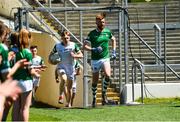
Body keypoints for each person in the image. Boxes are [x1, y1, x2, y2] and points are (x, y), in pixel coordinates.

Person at [83, 12, 116, 107]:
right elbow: (84, 46)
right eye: (101, 22)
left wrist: (113, 51)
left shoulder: (107, 32)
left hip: (105, 58)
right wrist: (93, 49)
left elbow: (113, 39)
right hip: (95, 60)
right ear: (96, 23)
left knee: (108, 75)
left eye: (104, 22)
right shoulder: (92, 34)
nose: (103, 24)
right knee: (95, 81)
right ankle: (94, 98)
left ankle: (103, 94)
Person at [11, 28, 42, 121]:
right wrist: (37, 74)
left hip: (15, 81)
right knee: (25, 108)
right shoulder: (27, 52)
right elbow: (30, 70)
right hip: (25, 81)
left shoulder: (14, 51)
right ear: (26, 38)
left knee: (16, 106)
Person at [51, 30, 83, 107]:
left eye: (67, 38)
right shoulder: (57, 46)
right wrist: (51, 61)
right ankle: (60, 96)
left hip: (70, 69)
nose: (66, 39)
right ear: (61, 38)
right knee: (64, 79)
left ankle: (68, 104)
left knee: (69, 89)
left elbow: (81, 55)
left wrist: (75, 56)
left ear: (69, 37)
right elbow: (50, 55)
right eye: (64, 38)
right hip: (61, 67)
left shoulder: (73, 45)